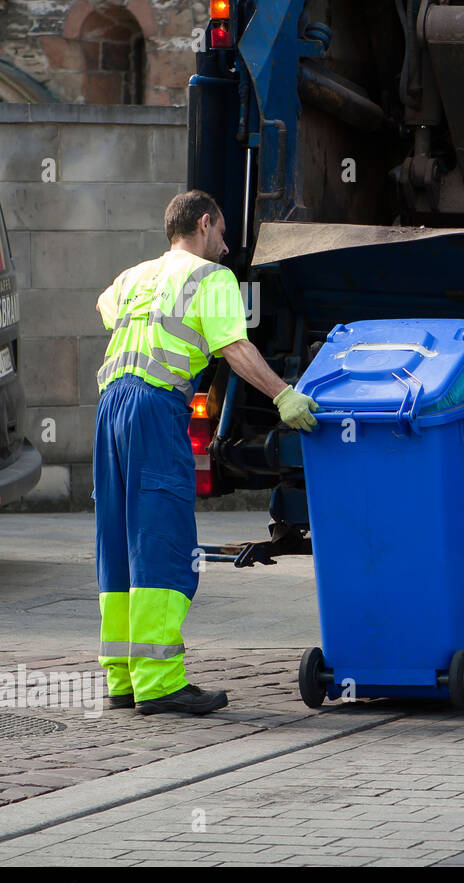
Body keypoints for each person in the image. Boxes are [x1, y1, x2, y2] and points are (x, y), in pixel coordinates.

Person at [94, 190, 320, 716]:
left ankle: (123, 677)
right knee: (161, 539)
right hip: (154, 407)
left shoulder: (133, 277)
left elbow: (105, 308)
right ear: (203, 224)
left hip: (111, 408)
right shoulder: (213, 279)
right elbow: (235, 348)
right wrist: (283, 395)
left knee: (117, 538)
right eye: (221, 232)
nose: (225, 243)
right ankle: (161, 683)